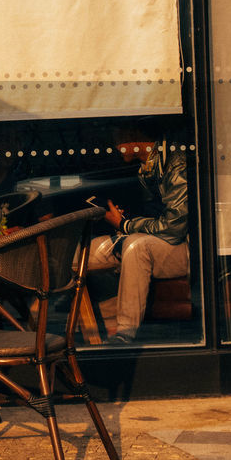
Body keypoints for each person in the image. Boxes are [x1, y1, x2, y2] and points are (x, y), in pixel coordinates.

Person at [88, 124, 190, 343]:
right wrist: (124, 219)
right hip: (159, 239)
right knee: (89, 251)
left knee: (136, 246)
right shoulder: (148, 166)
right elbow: (153, 216)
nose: (114, 147)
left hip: (187, 247)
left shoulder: (175, 162)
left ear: (131, 136)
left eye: (116, 139)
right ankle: (78, 323)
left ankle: (125, 333)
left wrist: (126, 225)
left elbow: (175, 228)